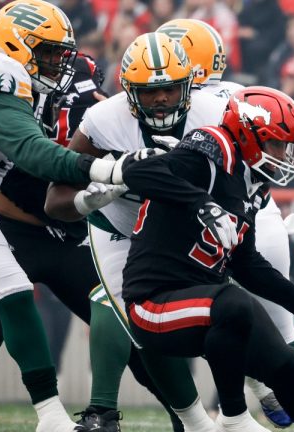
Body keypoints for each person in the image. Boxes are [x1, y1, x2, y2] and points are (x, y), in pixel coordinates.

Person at [158, 18, 294, 431]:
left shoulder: (168, 106)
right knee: (279, 332)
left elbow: (153, 172)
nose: (160, 93)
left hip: (203, 224)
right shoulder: (242, 95)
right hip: (257, 215)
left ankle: (198, 417)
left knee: (161, 318)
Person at [43, 32, 228, 432]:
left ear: (189, 87)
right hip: (120, 224)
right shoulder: (103, 120)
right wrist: (86, 201)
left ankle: (241, 406)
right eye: (149, 92)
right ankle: (151, 417)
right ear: (127, 91)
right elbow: (55, 199)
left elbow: (242, 178)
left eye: (168, 89)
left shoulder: (215, 114)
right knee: (136, 317)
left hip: (189, 225)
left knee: (227, 315)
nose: (161, 100)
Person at [0, 1, 147, 430]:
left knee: (23, 296)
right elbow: (34, 154)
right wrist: (106, 168)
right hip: (11, 222)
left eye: (63, 54)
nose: (59, 64)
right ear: (14, 47)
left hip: (67, 231)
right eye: (48, 52)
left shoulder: (69, 83)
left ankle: (65, 416)